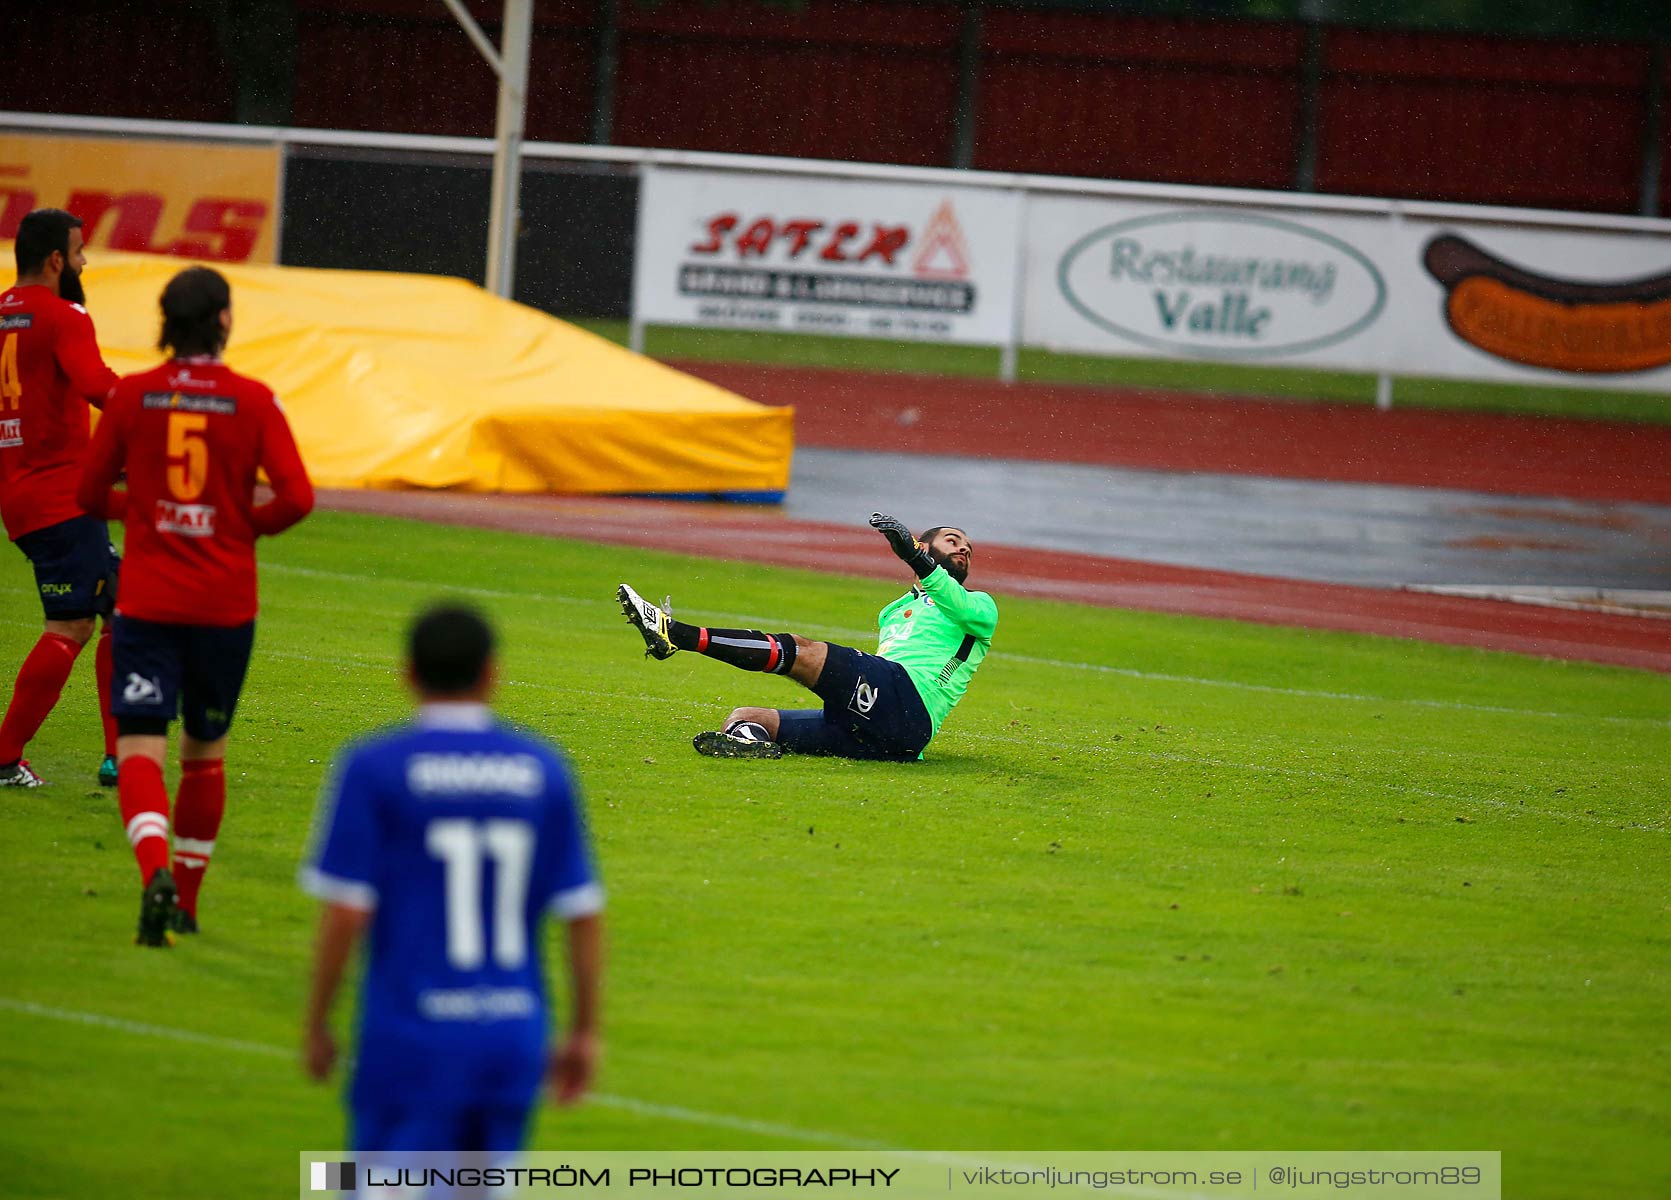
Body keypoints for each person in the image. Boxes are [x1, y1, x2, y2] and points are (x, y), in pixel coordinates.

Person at [300, 603, 605, 1161]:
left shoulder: (375, 767)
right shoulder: (542, 768)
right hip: (511, 1033)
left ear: (408, 674)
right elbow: (581, 911)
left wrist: (318, 1019)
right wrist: (585, 1030)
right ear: (493, 673)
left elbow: (346, 911)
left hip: (410, 1033)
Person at [76, 265, 314, 947]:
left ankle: (151, 868)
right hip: (224, 603)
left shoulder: (133, 397)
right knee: (204, 754)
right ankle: (184, 899)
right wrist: (238, 526)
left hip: (149, 599)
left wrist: (149, 515)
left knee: (140, 749)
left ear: (165, 323)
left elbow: (90, 495)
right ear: (225, 321)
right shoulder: (253, 400)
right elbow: (297, 497)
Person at [618, 512, 997, 761]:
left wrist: (916, 558)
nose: (963, 547)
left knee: (800, 651)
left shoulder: (980, 606)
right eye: (952, 540)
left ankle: (675, 634)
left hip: (910, 705)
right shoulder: (894, 609)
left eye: (968, 547)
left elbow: (955, 604)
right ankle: (750, 745)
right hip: (881, 731)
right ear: (926, 545)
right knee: (746, 717)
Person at [0, 208, 122, 788]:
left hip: (22, 495)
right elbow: (99, 386)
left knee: (122, 605)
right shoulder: (64, 315)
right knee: (70, 626)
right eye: (78, 253)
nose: (83, 262)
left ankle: (120, 753)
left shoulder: (2, 312)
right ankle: (4, 757)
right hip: (61, 498)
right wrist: (158, 408)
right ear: (55, 260)